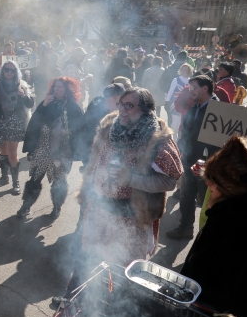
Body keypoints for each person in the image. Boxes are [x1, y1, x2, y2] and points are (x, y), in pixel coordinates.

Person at [78, 87, 183, 265]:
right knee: (94, 263)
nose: (122, 109)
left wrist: (131, 179)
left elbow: (170, 180)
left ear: (145, 109)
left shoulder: (156, 138)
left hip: (131, 218)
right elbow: (96, 161)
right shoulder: (111, 126)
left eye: (129, 105)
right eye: (121, 104)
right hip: (101, 209)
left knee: (123, 267)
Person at [180, 136, 247, 317]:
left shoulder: (227, 223)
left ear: (228, 187)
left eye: (212, 182)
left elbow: (204, 284)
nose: (208, 185)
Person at [18, 77, 83, 219]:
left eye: (60, 87)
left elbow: (80, 127)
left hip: (63, 149)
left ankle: (56, 207)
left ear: (67, 90)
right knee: (35, 177)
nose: (57, 89)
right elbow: (35, 123)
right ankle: (26, 205)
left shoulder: (73, 106)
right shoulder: (47, 102)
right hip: (43, 146)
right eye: (55, 87)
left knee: (59, 180)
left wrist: (68, 131)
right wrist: (43, 106)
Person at [167, 75, 221, 239]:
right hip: (190, 161)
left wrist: (210, 162)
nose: (190, 91)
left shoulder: (218, 108)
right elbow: (187, 132)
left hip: (208, 165)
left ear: (205, 88)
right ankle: (185, 227)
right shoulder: (194, 107)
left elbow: (220, 141)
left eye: (194, 87)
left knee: (208, 201)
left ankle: (208, 235)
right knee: (186, 195)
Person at [0, 60, 34, 194]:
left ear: (16, 72)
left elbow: (30, 104)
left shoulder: (22, 85)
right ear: (2, 71)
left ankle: (16, 182)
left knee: (12, 153)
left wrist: (24, 95)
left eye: (12, 70)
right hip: (0, 121)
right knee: (3, 150)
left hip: (15, 122)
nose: (9, 72)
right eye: (6, 70)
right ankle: (4, 177)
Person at [76, 83, 125, 168]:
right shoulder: (95, 112)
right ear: (115, 97)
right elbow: (86, 135)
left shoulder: (120, 110)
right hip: (94, 156)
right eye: (121, 99)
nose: (122, 103)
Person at [166, 63, 193, 133]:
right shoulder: (176, 80)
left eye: (185, 70)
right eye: (182, 69)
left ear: (189, 71)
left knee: (184, 123)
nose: (183, 71)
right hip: (176, 103)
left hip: (187, 104)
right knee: (175, 122)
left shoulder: (191, 81)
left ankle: (180, 140)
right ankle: (173, 139)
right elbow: (171, 91)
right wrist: (167, 101)